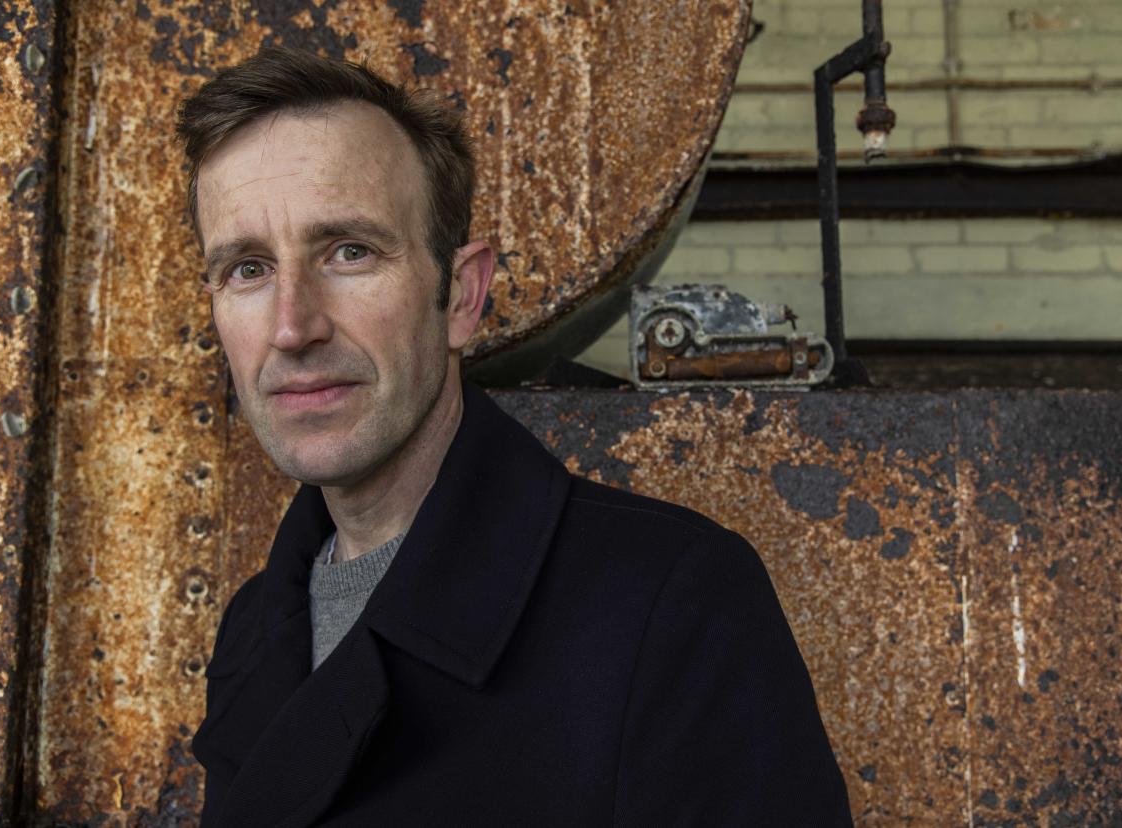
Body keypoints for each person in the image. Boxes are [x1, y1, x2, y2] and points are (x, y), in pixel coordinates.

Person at [178, 46, 852, 827]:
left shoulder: (671, 601)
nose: (292, 326)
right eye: (247, 269)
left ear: (462, 297)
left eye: (350, 252)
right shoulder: (256, 627)